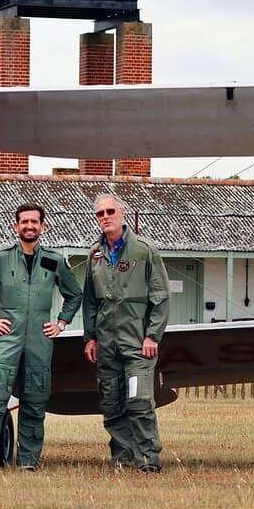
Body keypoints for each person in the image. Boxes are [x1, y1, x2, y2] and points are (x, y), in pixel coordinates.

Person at [0, 202, 82, 472]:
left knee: (35, 403)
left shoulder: (55, 260)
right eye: (24, 221)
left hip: (40, 342)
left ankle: (28, 463)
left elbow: (74, 294)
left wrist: (61, 323)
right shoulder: (1, 258)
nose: (29, 226)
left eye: (34, 222)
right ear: (16, 226)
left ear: (43, 226)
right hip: (7, 340)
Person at [82, 192, 170, 473]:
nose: (105, 217)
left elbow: (161, 296)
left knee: (139, 401)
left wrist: (152, 335)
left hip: (137, 344)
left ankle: (147, 460)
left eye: (110, 211)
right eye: (100, 214)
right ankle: (122, 459)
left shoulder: (145, 251)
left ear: (121, 214)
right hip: (106, 344)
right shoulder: (94, 255)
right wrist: (90, 337)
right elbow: (89, 301)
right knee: (112, 403)